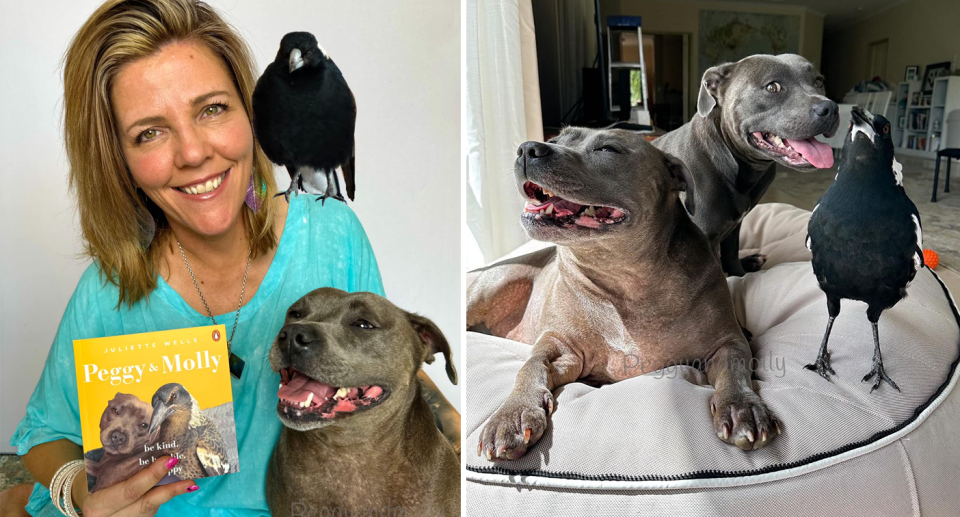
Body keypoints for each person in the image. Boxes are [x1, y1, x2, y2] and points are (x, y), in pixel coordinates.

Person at [0, 0, 461, 515]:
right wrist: (78, 493)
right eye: (148, 132)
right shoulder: (110, 291)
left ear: (251, 112)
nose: (193, 152)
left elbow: (375, 357)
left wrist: (455, 436)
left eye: (212, 109)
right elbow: (45, 433)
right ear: (120, 159)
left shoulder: (331, 235)